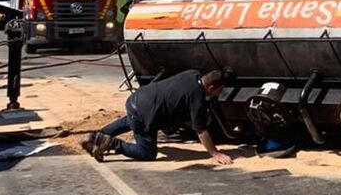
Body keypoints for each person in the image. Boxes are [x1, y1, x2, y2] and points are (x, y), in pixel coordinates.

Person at [82, 69, 234, 165]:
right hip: (145, 114)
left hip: (137, 99)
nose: (218, 95)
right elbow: (200, 130)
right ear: (211, 88)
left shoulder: (192, 74)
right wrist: (216, 153)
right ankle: (111, 143)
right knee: (147, 153)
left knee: (133, 120)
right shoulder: (197, 98)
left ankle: (96, 136)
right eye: (218, 91)